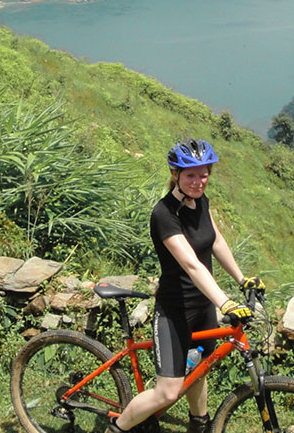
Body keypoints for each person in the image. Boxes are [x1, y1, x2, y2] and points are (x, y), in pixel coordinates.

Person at [109, 139, 264, 433]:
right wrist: (225, 302)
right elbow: (192, 264)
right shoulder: (164, 214)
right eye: (191, 174)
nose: (198, 181)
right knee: (167, 392)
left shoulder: (201, 202)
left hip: (202, 306)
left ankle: (199, 424)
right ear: (176, 174)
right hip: (174, 310)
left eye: (204, 173)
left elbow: (215, 240)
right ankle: (117, 428)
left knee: (202, 368)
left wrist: (242, 279)